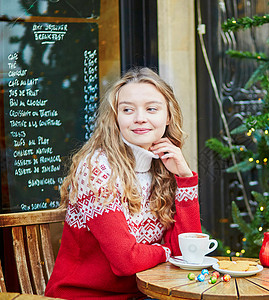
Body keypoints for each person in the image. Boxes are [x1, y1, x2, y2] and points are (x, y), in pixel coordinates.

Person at [45, 67, 202, 299]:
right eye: (127, 109)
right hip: (85, 296)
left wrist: (185, 179)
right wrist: (167, 251)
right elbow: (126, 262)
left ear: (168, 116)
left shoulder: (163, 166)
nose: (140, 118)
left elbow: (188, 251)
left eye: (151, 109)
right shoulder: (96, 168)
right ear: (116, 118)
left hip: (143, 294)